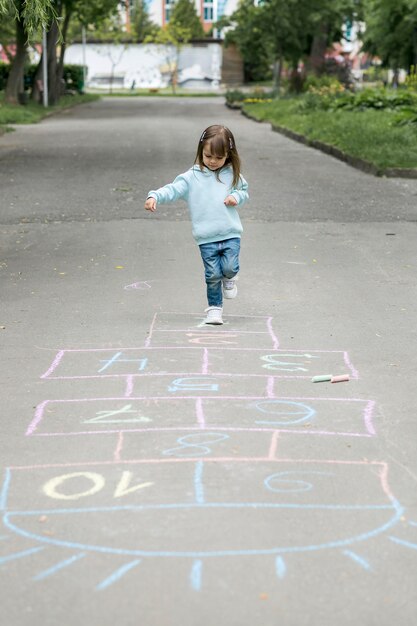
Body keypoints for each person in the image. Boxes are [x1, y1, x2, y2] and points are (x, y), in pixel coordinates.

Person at [144, 124, 249, 325]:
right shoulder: (191, 177)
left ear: (228, 154)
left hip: (230, 233)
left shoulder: (232, 175)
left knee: (229, 267)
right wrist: (155, 195)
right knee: (211, 275)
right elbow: (173, 189)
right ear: (201, 151)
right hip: (206, 237)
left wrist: (236, 196)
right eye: (208, 156)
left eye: (219, 158)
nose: (213, 162)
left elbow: (243, 191)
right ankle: (214, 310)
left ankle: (230, 277)